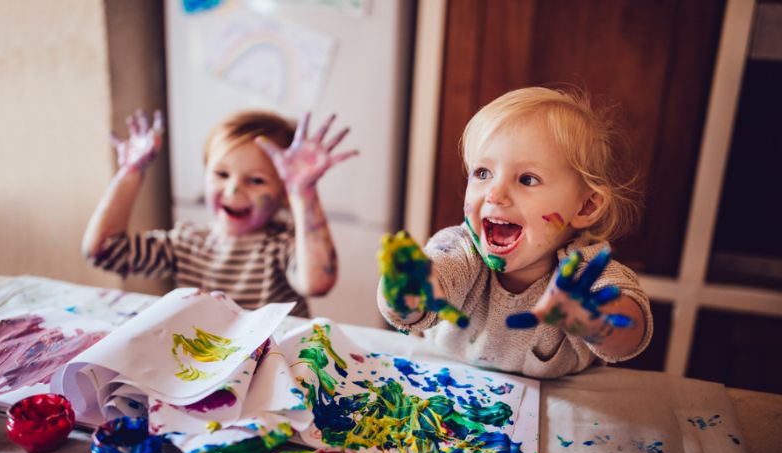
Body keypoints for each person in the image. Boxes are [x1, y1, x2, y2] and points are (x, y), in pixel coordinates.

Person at [377, 87, 652, 379]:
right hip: (442, 388)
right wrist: (404, 294)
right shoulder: (460, 248)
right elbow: (414, 307)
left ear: (585, 206)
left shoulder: (583, 273)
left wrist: (595, 320)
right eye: (483, 173)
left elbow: (630, 337)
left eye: (527, 179)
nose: (495, 193)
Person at [82, 109, 357, 317]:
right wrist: (131, 173)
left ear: (284, 194)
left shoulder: (282, 247)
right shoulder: (186, 243)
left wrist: (303, 192)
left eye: (256, 180)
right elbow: (103, 251)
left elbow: (318, 282)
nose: (233, 189)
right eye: (221, 174)